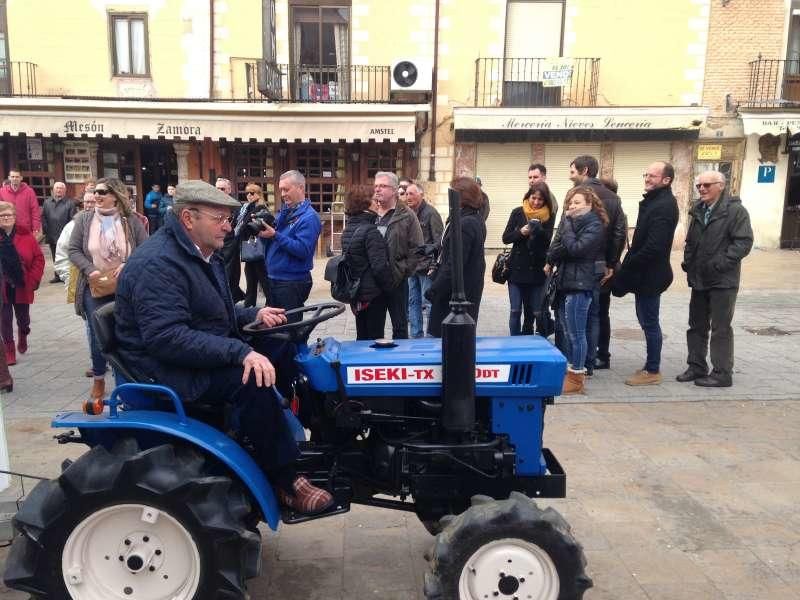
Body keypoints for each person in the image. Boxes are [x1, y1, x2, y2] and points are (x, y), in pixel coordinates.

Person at [114, 180, 334, 514]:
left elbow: (216, 310)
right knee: (252, 380)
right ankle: (285, 479)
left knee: (281, 345)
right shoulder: (159, 264)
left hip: (193, 352)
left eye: (228, 218)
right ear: (189, 218)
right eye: (220, 218)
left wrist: (255, 313)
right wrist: (240, 352)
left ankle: (305, 432)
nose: (228, 226)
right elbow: (166, 337)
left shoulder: (201, 254)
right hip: (168, 370)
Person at [68, 177, 148, 404]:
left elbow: (146, 249)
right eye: (95, 192)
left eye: (102, 192)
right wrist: (89, 269)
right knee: (97, 334)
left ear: (115, 194)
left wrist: (127, 265)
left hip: (125, 285)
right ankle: (99, 378)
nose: (97, 196)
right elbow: (73, 249)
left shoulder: (132, 220)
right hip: (94, 285)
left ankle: (126, 378)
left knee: (126, 331)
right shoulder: (84, 220)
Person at [678, 170, 753, 387]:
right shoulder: (699, 210)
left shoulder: (735, 211)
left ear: (721, 186)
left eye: (707, 185)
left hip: (723, 280)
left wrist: (720, 264)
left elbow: (743, 243)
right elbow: (691, 242)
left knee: (720, 327)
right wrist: (689, 261)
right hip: (699, 277)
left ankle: (722, 373)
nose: (701, 189)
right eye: (699, 186)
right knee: (696, 325)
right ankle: (696, 366)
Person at [612, 161, 679, 386]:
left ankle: (652, 370)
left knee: (649, 322)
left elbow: (654, 247)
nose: (648, 179)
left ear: (666, 180)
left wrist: (627, 265)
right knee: (646, 320)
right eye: (646, 174)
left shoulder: (664, 205)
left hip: (651, 275)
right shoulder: (655, 201)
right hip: (646, 274)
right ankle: (651, 366)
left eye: (653, 176)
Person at [567, 155, 627, 373]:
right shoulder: (613, 197)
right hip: (601, 265)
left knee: (576, 314)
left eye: (573, 171)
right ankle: (597, 358)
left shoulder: (576, 195)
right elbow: (619, 233)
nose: (570, 176)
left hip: (578, 264)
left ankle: (579, 362)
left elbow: (567, 231)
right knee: (599, 312)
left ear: (584, 171)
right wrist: (611, 262)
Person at [546, 187, 608, 395]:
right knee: (566, 330)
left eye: (578, 202)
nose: (572, 206)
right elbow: (554, 251)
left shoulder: (594, 225)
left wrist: (567, 227)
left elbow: (577, 249)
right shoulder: (570, 225)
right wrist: (566, 238)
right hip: (565, 283)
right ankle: (571, 370)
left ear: (590, 205)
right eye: (571, 203)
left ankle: (577, 376)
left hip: (581, 285)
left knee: (577, 333)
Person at [426, 177, 486, 337]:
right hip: (464, 291)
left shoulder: (465, 223)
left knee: (443, 340)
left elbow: (454, 264)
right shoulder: (473, 219)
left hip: (454, 295)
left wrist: (434, 290)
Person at [260, 170, 321, 316]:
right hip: (274, 278)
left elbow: (303, 250)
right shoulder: (285, 212)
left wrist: (275, 235)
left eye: (286, 189)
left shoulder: (309, 217)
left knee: (290, 329)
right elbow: (275, 242)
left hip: (291, 282)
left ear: (300, 188)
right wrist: (263, 234)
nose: (282, 194)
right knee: (273, 328)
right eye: (281, 189)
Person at [373, 171, 423, 339]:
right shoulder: (369, 214)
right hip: (373, 282)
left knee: (400, 328)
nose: (378, 189)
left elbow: (417, 248)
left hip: (397, 281)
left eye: (383, 186)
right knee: (374, 329)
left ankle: (400, 360)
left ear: (394, 190)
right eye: (376, 186)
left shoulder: (407, 215)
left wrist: (402, 270)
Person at [502, 181, 555, 336]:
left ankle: (530, 340)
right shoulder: (518, 212)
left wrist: (538, 232)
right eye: (533, 198)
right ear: (528, 196)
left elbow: (547, 242)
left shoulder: (548, 216)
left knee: (535, 312)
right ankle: (514, 342)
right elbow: (506, 238)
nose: (536, 202)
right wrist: (521, 233)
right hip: (516, 270)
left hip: (536, 270)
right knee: (515, 310)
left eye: (540, 200)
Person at [340, 185, 393, 340]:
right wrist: (390, 289)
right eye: (373, 200)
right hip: (373, 295)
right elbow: (380, 267)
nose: (377, 203)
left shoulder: (348, 229)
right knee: (375, 338)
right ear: (364, 204)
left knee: (361, 336)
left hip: (357, 293)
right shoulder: (371, 231)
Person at [0, 201, 44, 366]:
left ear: (14, 216)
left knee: (23, 318)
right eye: (2, 215)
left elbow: (39, 259)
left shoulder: (26, 236)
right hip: (2, 286)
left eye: (8, 214)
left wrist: (33, 280)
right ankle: (9, 350)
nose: (6, 218)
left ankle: (23, 333)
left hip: (22, 284)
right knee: (4, 320)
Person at [405, 182, 443, 338]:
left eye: (411, 194)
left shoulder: (431, 213)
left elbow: (440, 241)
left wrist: (432, 261)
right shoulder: (407, 213)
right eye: (406, 194)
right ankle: (416, 334)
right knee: (413, 302)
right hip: (411, 266)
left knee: (428, 302)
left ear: (421, 195)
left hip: (426, 267)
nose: (408, 197)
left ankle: (432, 334)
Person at [237, 183, 270, 307]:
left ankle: (271, 304)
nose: (249, 195)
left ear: (258, 194)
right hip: (250, 248)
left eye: (252, 193)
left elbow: (257, 227)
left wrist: (246, 224)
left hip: (258, 247)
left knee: (263, 278)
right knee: (251, 279)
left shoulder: (261, 208)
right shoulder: (247, 208)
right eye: (247, 193)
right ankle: (249, 305)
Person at [217, 177, 245, 303]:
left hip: (230, 244)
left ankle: (229, 299)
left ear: (229, 190)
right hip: (215, 243)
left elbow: (239, 225)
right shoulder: (212, 203)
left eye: (222, 189)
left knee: (230, 273)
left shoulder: (235, 205)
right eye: (217, 188)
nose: (219, 191)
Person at [42, 181, 77, 283]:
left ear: (65, 191)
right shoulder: (47, 202)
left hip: (65, 235)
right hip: (51, 234)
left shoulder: (70, 203)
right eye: (57, 188)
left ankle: (67, 275)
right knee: (55, 256)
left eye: (61, 188)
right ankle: (57, 275)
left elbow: (72, 220)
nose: (59, 190)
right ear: (53, 190)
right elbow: (43, 217)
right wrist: (46, 231)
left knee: (67, 256)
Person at [0, 169, 41, 238]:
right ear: (9, 178)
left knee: (25, 248)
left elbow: (35, 211)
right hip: (7, 229)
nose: (14, 179)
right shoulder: (2, 191)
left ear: (21, 178)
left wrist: (36, 228)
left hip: (25, 229)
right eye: (12, 177)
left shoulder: (29, 191)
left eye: (17, 177)